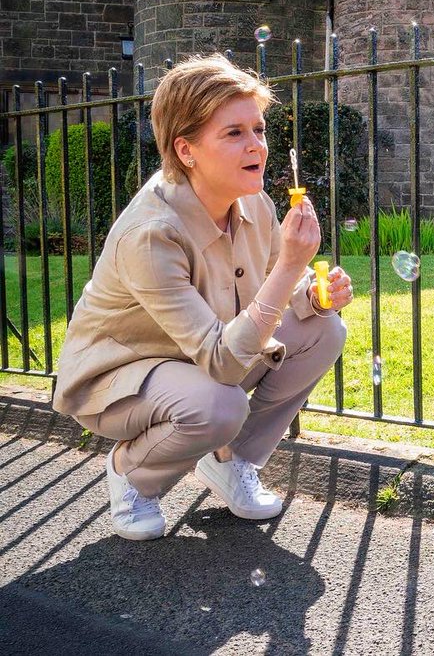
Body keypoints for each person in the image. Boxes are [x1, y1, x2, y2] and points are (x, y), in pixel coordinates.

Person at [52, 53, 352, 541]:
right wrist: (293, 263)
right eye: (233, 133)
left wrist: (314, 297)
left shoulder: (252, 201)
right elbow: (225, 365)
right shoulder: (152, 233)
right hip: (123, 377)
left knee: (324, 331)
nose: (256, 145)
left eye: (258, 129)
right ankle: (132, 472)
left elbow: (267, 297)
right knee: (219, 404)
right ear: (186, 150)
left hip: (203, 358)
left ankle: (231, 462)